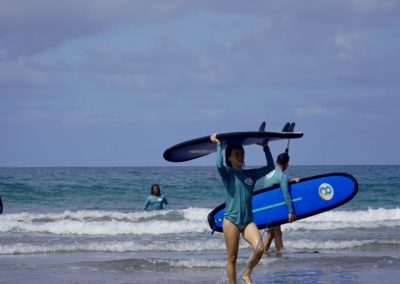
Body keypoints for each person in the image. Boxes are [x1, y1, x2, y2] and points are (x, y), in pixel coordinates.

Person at [210, 133, 275, 284]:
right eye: (236, 154)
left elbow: (271, 167)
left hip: (247, 221)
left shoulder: (251, 174)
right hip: (231, 221)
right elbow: (219, 165)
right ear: (230, 158)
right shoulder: (227, 174)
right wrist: (218, 145)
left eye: (242, 154)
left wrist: (265, 148)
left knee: (260, 248)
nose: (240, 157)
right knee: (232, 258)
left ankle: (246, 274)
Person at [263, 152, 298, 255]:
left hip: (266, 207)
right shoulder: (282, 176)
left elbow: (274, 187)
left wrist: (290, 181)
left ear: (276, 161)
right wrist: (291, 212)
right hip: (274, 209)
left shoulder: (270, 173)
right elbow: (286, 194)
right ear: (286, 164)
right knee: (277, 232)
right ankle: (281, 255)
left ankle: (262, 254)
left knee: (270, 234)